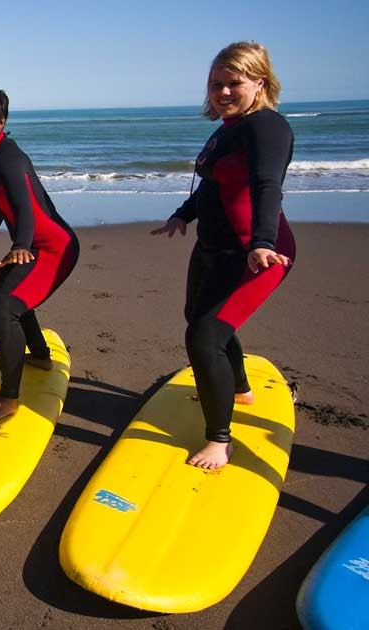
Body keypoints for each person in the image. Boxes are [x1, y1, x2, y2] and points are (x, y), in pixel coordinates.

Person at [151, 42, 295, 470]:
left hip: (258, 254)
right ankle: (239, 388)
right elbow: (215, 185)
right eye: (216, 84)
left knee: (204, 336)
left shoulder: (267, 127)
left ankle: (219, 441)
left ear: (260, 83)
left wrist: (263, 243)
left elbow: (268, 185)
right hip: (214, 247)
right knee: (199, 317)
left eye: (235, 83)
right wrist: (183, 214)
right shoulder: (228, 128)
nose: (224, 92)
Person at [0, 80, 79, 421]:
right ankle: (40, 355)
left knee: (3, 308)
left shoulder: (9, 158)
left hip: (54, 248)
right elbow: (2, 200)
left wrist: (20, 246)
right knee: (7, 296)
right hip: (33, 245)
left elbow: (25, 207)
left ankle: (9, 398)